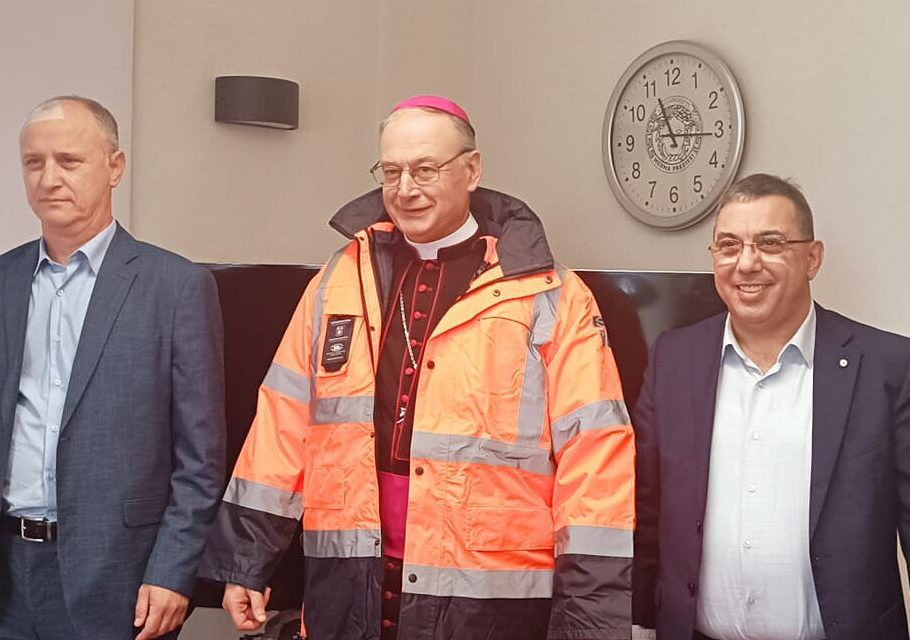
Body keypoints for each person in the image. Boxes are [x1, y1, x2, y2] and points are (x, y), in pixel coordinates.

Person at [203, 95, 636, 639]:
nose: (406, 189)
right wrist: (247, 558)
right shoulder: (338, 281)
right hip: (349, 582)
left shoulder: (552, 295)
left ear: (472, 169)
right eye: (392, 171)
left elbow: (595, 460)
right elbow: (282, 423)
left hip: (487, 601)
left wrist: (589, 620)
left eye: (426, 169)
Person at [631, 173, 910, 640]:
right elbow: (644, 510)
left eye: (770, 243)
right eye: (729, 246)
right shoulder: (673, 359)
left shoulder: (890, 369)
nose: (746, 264)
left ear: (812, 258)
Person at [0, 95, 226, 640]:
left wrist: (173, 573)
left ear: (114, 168)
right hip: (4, 573)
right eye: (34, 162)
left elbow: (201, 458)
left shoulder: (175, 287)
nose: (49, 178)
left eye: (69, 160)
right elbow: (0, 408)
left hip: (120, 578)